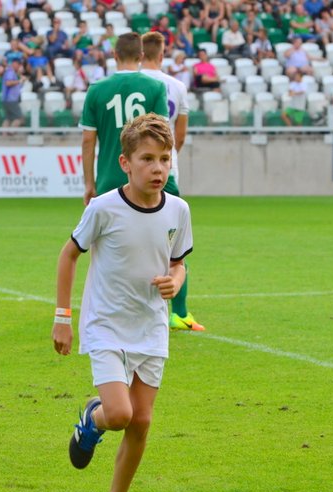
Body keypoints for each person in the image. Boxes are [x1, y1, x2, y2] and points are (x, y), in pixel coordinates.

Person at [54, 113, 193, 492]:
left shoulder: (179, 209)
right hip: (107, 325)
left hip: (151, 326)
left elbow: (178, 261)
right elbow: (69, 255)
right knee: (118, 414)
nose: (158, 168)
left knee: (142, 421)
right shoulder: (104, 208)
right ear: (125, 163)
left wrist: (175, 281)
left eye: (164, 159)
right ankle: (93, 418)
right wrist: (63, 317)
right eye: (147, 159)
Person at [141, 31, 205, 331]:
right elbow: (179, 135)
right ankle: (179, 312)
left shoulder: (122, 82)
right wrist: (165, 161)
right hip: (167, 173)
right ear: (162, 54)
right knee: (173, 242)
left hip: (131, 168)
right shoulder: (176, 86)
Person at [79, 32, 168, 205]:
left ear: (114, 55)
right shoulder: (156, 87)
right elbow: (163, 137)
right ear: (141, 56)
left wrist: (90, 184)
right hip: (144, 180)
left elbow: (88, 141)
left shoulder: (96, 90)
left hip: (108, 182)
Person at [0, 58, 24, 127]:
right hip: (11, 99)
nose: (19, 66)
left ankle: (4, 134)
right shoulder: (10, 72)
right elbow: (8, 83)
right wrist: (19, 81)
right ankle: (11, 132)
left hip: (8, 99)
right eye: (18, 64)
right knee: (19, 118)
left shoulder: (13, 73)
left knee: (8, 118)